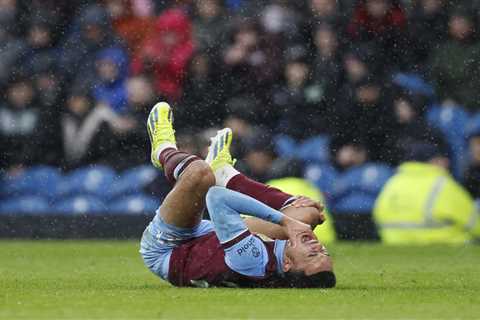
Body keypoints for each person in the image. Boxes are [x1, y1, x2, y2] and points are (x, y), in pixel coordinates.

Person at [140, 102, 335, 288]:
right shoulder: (281, 260)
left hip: (171, 247)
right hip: (210, 239)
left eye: (311, 255)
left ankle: (163, 150)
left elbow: (216, 197)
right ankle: (224, 173)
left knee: (201, 174)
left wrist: (286, 221)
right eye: (323, 252)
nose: (317, 247)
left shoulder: (252, 261)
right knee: (308, 214)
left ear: (286, 264)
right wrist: (293, 210)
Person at [373, 142, 480, 244]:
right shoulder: (442, 184)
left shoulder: (393, 182)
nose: (447, 162)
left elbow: (378, 213)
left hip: (396, 245)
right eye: (442, 159)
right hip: (444, 245)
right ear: (433, 161)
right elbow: (473, 221)